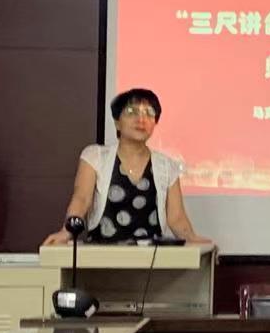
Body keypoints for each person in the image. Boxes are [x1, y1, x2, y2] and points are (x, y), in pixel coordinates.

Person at [42, 88, 210, 246]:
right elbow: (82, 199)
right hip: (102, 254)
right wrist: (67, 231)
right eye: (132, 112)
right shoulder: (95, 157)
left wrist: (193, 239)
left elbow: (176, 218)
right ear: (117, 122)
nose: (141, 119)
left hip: (152, 259)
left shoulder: (167, 166)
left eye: (149, 113)